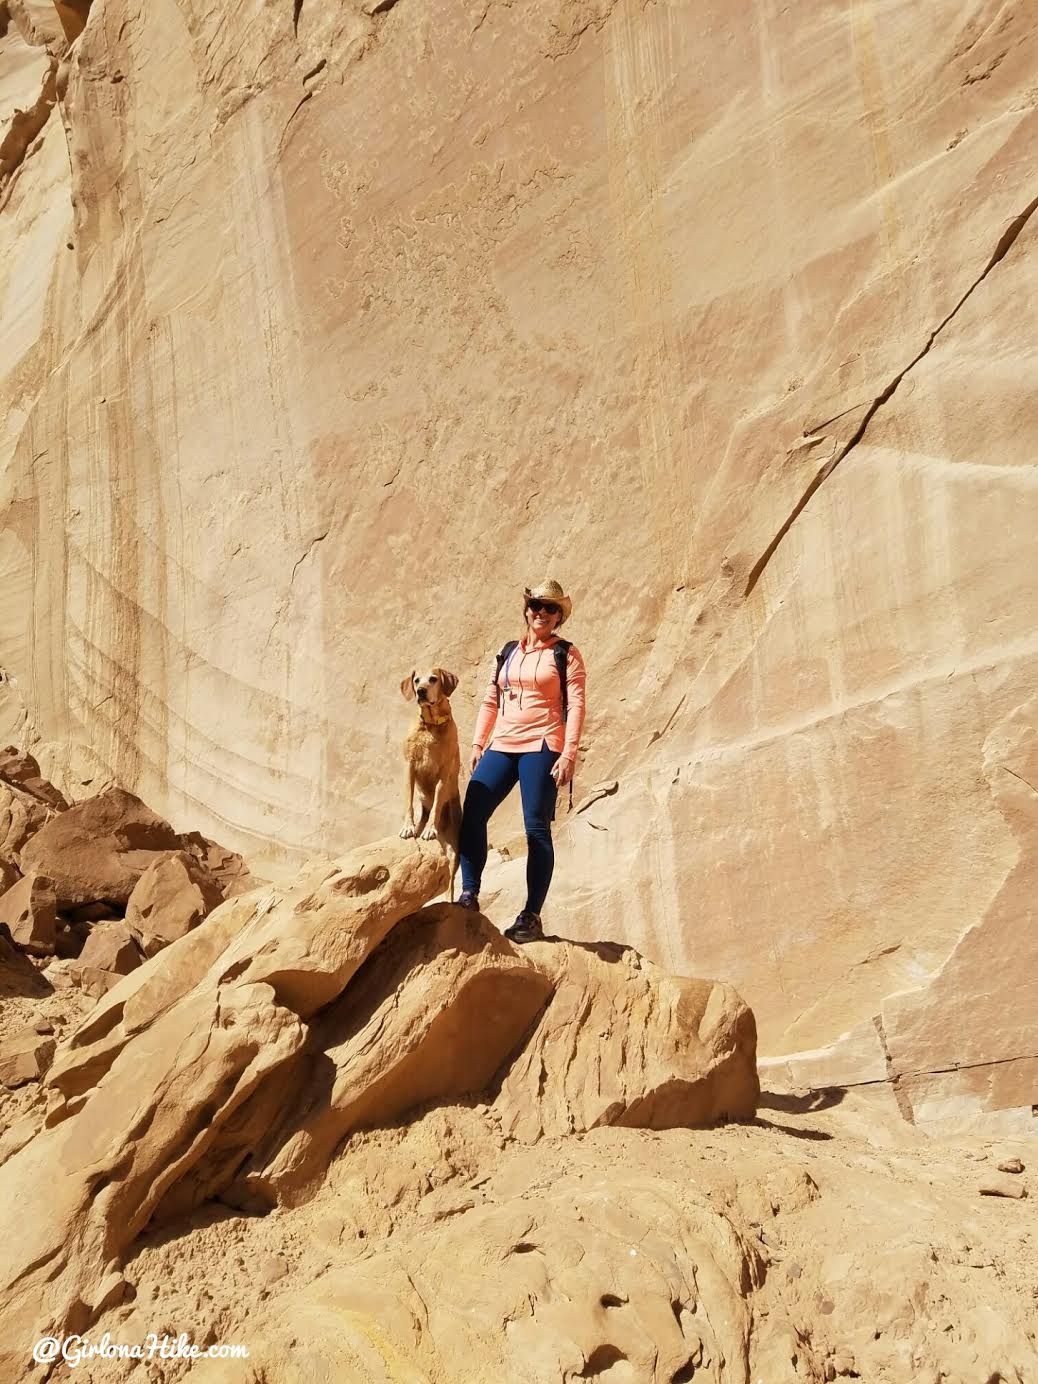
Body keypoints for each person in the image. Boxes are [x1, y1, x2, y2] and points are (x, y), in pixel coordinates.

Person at [456, 580, 587, 942]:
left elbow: (576, 705)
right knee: (474, 812)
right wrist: (478, 742)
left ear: (559, 616)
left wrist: (569, 753)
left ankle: (530, 915)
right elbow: (490, 699)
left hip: (543, 743)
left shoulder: (566, 654)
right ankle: (469, 894)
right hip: (504, 742)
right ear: (527, 610)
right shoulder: (509, 650)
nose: (541, 613)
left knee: (535, 828)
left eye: (550, 608)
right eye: (536, 606)